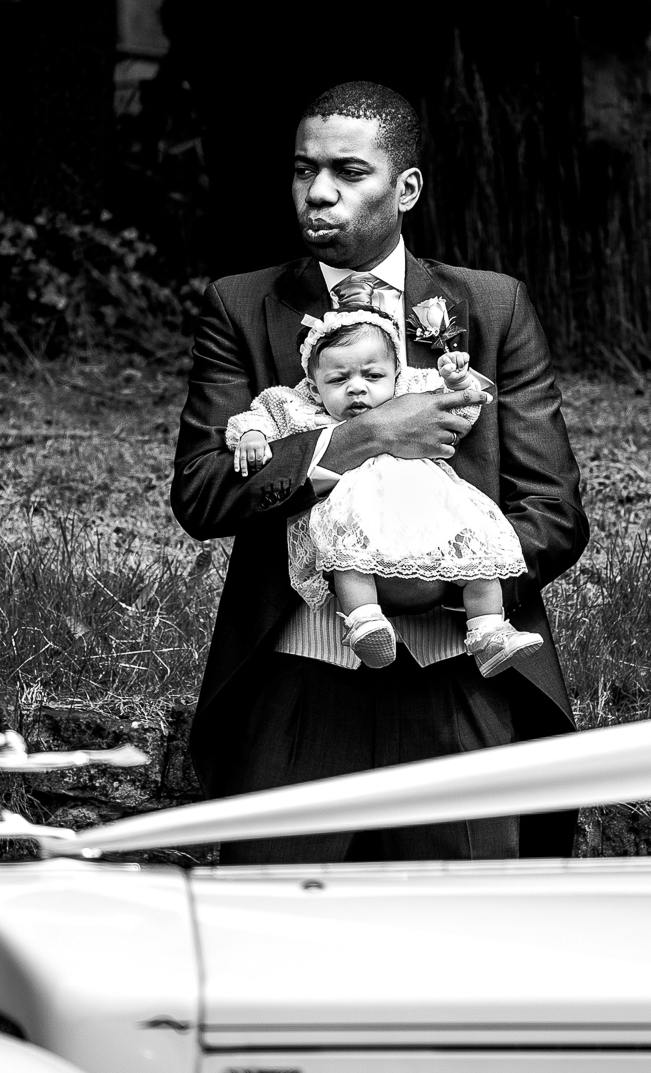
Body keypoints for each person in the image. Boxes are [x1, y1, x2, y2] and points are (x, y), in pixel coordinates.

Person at [172, 79, 588, 864]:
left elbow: (553, 510)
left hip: (461, 684)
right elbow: (202, 490)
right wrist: (365, 434)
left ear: (406, 188)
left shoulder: (492, 306)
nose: (318, 191)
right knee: (272, 930)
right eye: (304, 169)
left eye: (348, 171)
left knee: (465, 929)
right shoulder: (242, 305)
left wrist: (438, 581)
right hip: (299, 687)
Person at [223, 308, 544, 677]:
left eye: (373, 376)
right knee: (348, 555)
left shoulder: (409, 393)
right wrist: (252, 436)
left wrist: (456, 381)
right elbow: (260, 413)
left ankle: (489, 632)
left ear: (395, 375)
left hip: (427, 508)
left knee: (477, 553)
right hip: (355, 508)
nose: (357, 387)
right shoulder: (301, 407)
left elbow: (460, 412)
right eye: (338, 379)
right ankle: (364, 622)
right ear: (313, 388)